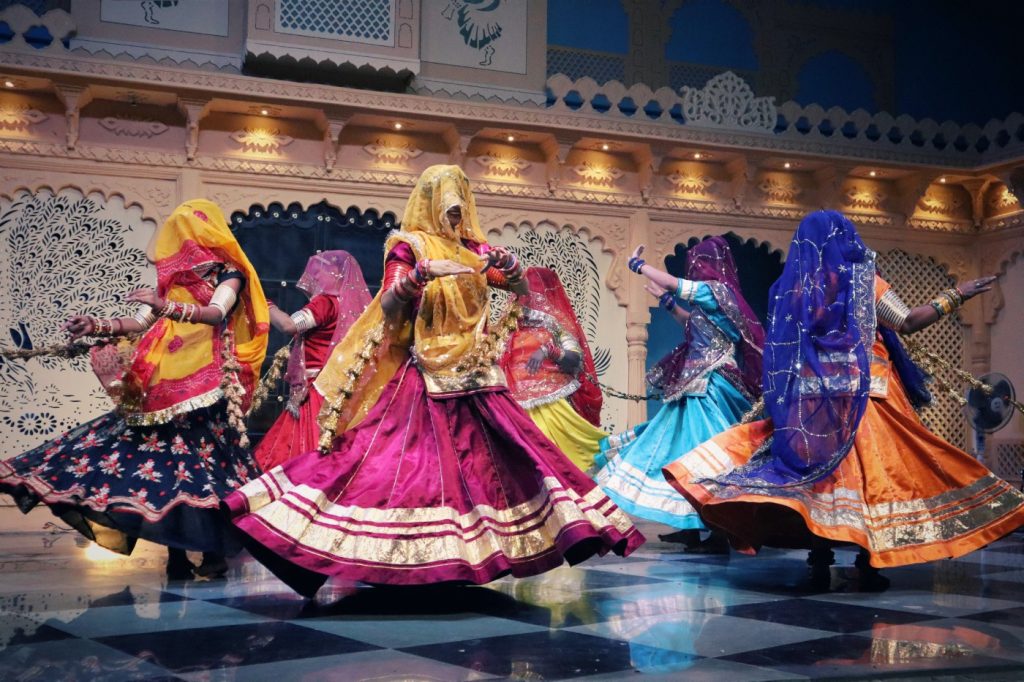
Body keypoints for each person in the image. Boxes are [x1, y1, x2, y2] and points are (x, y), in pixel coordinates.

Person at [225, 165, 643, 597]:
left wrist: (513, 269)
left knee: (506, 467)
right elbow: (388, 304)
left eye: (460, 199)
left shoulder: (475, 250)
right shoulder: (408, 248)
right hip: (424, 379)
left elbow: (517, 288)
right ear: (428, 199)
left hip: (479, 380)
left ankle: (472, 559)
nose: (454, 209)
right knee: (400, 472)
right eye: (446, 199)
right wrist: (420, 276)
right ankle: (370, 552)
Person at [663, 210, 1024, 588]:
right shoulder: (864, 281)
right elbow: (908, 321)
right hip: (869, 396)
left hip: (813, 404)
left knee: (821, 482)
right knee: (875, 479)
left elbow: (788, 349)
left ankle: (819, 562)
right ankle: (870, 566)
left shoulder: (797, 289)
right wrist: (955, 295)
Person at [0, 200, 269, 580]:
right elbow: (139, 322)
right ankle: (176, 555)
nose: (179, 240)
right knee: (163, 466)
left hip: (204, 385)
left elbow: (214, 314)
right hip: (159, 383)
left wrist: (166, 307)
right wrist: (96, 325)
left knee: (202, 468)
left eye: (185, 231)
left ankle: (213, 552)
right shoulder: (171, 278)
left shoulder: (228, 272)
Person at [595, 237, 764, 552]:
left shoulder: (717, 291)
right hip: (695, 383)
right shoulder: (712, 301)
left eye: (699, 262)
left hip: (709, 385)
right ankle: (689, 526)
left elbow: (675, 283)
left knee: (704, 452)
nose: (696, 268)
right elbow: (692, 326)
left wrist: (639, 266)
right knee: (680, 451)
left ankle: (716, 530)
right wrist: (668, 303)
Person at [253, 251, 371, 471]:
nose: (314, 278)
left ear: (335, 275)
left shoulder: (325, 303)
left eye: (319, 272)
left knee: (304, 451)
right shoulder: (345, 306)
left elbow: (289, 325)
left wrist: (266, 306)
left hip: (315, 391)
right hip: (336, 388)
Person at [500, 266, 606, 472]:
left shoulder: (557, 326)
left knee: (564, 467)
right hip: (516, 411)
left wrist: (548, 350)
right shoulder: (508, 331)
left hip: (554, 410)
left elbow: (575, 360)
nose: (526, 297)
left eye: (534, 288)